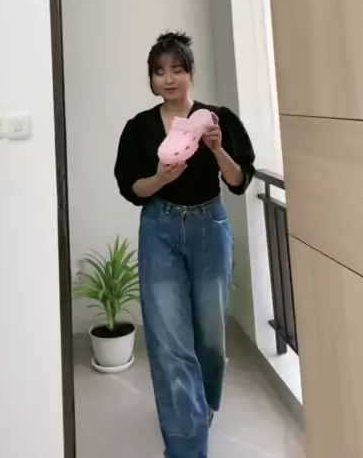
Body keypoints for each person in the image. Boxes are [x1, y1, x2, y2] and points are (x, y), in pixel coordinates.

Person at [114, 31, 256, 458]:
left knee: (210, 338)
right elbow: (130, 187)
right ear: (152, 78)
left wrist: (217, 149)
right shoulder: (138, 128)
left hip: (209, 227)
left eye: (177, 69)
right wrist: (160, 179)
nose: (169, 78)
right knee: (169, 343)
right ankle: (186, 446)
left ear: (191, 72)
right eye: (160, 71)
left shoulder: (218, 119)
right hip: (159, 229)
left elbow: (239, 180)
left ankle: (200, 409)